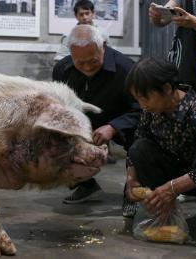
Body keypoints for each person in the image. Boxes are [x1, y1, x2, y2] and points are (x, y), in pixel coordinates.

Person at [124, 57, 196, 239]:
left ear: (167, 89)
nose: (142, 105)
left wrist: (173, 188)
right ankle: (164, 213)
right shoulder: (151, 111)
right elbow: (140, 139)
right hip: (177, 168)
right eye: (138, 99)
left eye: (145, 97)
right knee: (139, 149)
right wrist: (131, 179)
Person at [53, 24, 140, 204]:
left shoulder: (127, 69)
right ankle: (86, 186)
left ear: (104, 47)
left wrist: (114, 127)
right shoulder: (62, 70)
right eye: (80, 62)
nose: (87, 67)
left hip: (122, 121)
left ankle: (135, 190)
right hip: (83, 123)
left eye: (93, 61)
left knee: (141, 144)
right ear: (70, 53)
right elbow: (59, 106)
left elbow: (143, 109)